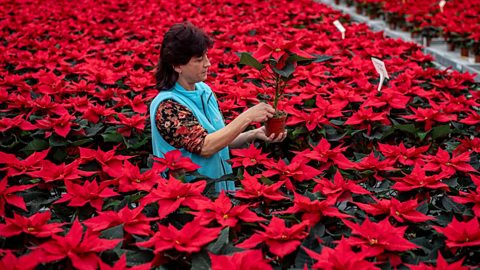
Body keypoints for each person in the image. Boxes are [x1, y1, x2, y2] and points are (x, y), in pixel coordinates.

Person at [150, 21, 287, 192]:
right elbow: (205, 146)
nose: (207, 63)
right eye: (199, 60)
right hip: (191, 202)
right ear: (177, 65)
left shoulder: (203, 90)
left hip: (219, 197)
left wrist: (254, 133)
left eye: (206, 56)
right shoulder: (167, 106)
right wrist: (247, 117)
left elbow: (220, 140)